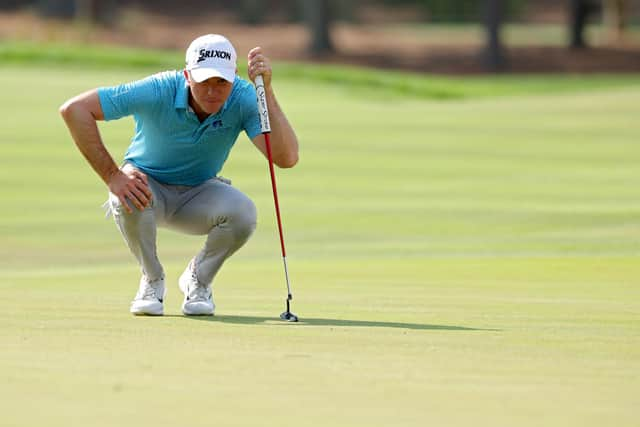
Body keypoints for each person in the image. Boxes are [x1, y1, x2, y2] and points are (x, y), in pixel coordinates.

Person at [60, 34, 299, 316]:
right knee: (127, 192)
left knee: (243, 212)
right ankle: (152, 280)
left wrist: (266, 92)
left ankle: (198, 280)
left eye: (221, 82)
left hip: (199, 194)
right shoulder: (158, 89)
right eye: (203, 81)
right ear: (187, 75)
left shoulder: (244, 97)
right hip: (148, 189)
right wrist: (113, 176)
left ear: (234, 76)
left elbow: (286, 157)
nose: (212, 91)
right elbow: (75, 110)